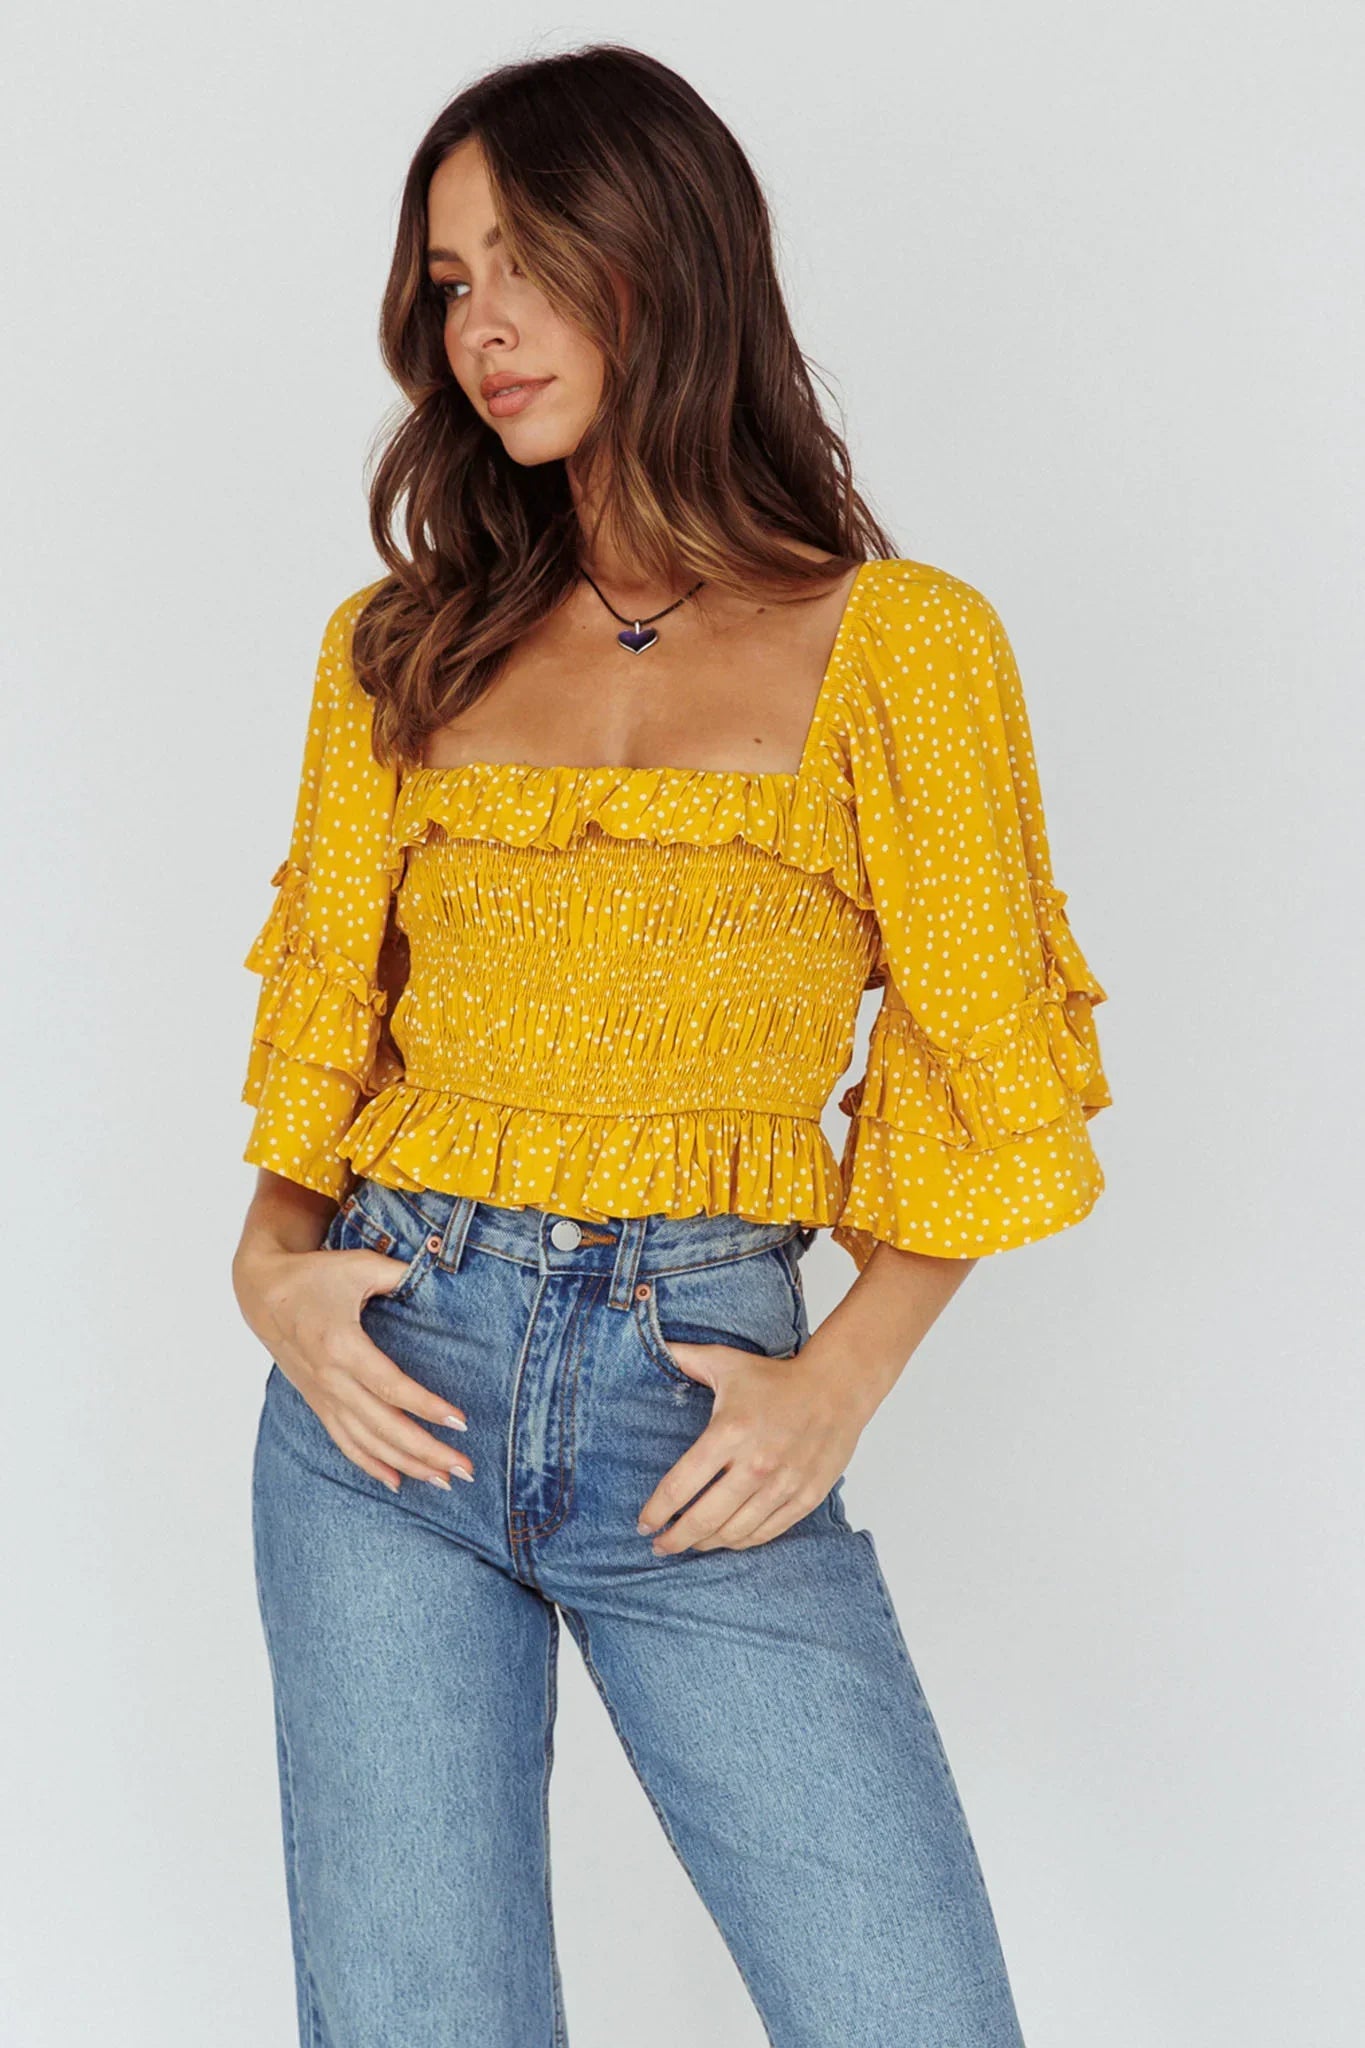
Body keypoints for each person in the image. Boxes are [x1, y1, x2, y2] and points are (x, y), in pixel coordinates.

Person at [231, 42, 1111, 2048]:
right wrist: (268, 1267)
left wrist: (837, 1387)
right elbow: (324, 1027)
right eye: (449, 280)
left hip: (695, 1403)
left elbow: (982, 1059)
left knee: (909, 2014)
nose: (483, 326)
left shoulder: (902, 646)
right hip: (381, 1400)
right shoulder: (401, 644)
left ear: (667, 256)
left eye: (528, 262)